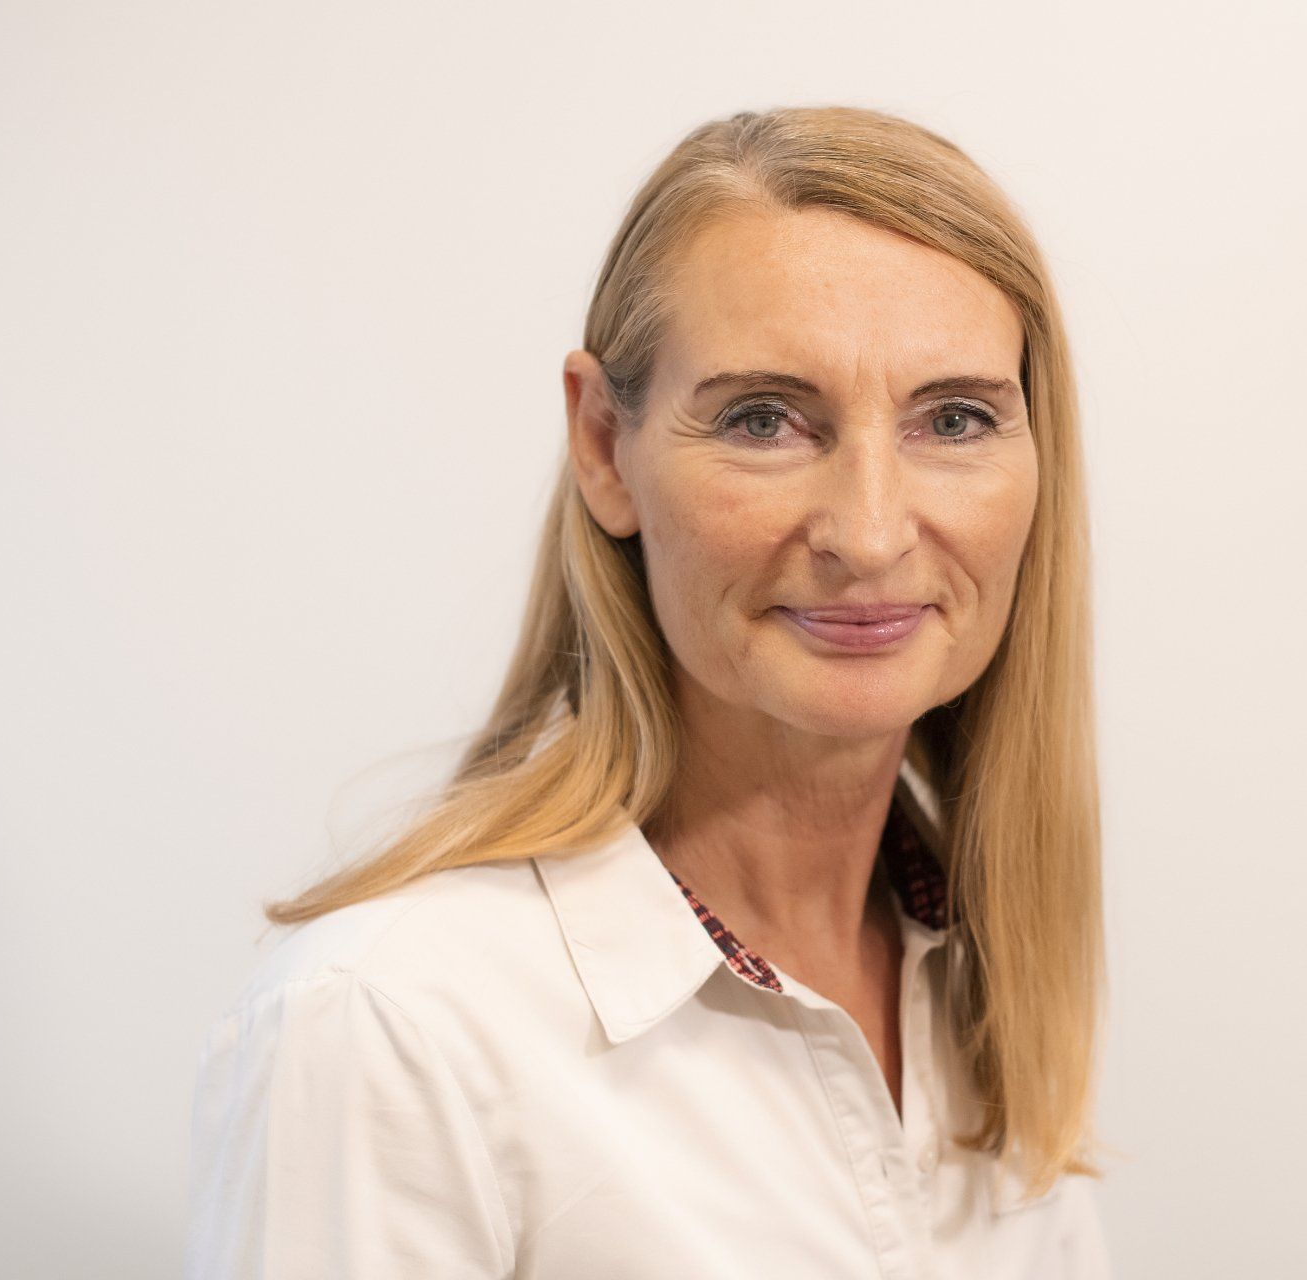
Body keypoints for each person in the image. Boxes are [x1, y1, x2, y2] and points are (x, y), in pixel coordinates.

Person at [185, 104, 1114, 1278]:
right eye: (764, 418)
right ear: (603, 445)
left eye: (956, 417)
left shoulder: (986, 987)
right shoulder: (389, 1025)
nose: (872, 532)